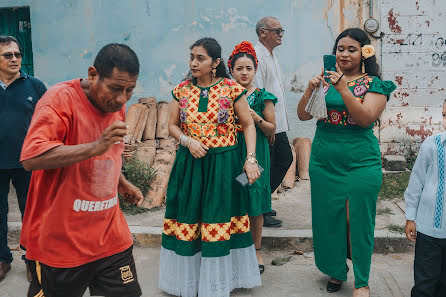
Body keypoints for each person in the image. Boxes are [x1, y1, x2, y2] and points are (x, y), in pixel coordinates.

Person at [19, 43, 143, 297]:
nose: (122, 98)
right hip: (61, 242)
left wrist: (120, 182)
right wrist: (96, 147)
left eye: (130, 90)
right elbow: (31, 157)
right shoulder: (58, 100)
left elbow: (107, 152)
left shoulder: (114, 103)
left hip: (110, 236)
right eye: (116, 88)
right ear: (93, 74)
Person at [159, 37, 261, 297]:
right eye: (192, 57)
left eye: (200, 58)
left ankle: (218, 282)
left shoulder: (231, 88)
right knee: (189, 216)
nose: (194, 62)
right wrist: (187, 141)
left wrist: (250, 159)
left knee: (220, 217)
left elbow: (248, 125)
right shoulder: (180, 90)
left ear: (215, 62)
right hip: (190, 165)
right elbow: (171, 126)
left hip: (224, 166)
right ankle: (190, 281)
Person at [297, 28, 396, 297]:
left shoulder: (375, 84)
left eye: (351, 49)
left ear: (364, 53)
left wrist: (342, 87)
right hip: (324, 159)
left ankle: (362, 282)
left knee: (358, 220)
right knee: (329, 219)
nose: (344, 54)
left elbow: (365, 118)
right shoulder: (325, 81)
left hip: (360, 161)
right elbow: (303, 115)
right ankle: (336, 270)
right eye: (340, 48)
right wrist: (309, 89)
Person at [0, 35, 46, 283]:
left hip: (28, 163)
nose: (15, 59)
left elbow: (50, 121)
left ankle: (33, 259)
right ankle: (2, 260)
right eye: (8, 55)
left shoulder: (35, 86)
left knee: (32, 213)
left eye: (18, 54)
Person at [228, 41, 277, 274]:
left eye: (248, 68)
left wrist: (254, 116)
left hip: (255, 154)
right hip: (230, 153)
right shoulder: (225, 94)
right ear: (231, 71)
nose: (244, 73)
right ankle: (234, 248)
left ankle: (256, 249)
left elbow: (271, 130)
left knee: (254, 202)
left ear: (255, 70)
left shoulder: (262, 96)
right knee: (233, 198)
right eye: (239, 69)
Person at [404, 100, 446, 297]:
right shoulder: (433, 145)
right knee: (424, 284)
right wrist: (410, 217)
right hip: (430, 229)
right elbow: (416, 182)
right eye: (445, 115)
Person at [254, 17, 293, 228]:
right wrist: (265, 126)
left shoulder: (271, 56)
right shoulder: (257, 56)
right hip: (267, 125)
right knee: (261, 167)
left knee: (281, 160)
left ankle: (261, 203)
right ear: (263, 33)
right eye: (277, 31)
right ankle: (258, 208)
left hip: (276, 124)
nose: (281, 34)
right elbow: (259, 94)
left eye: (281, 31)